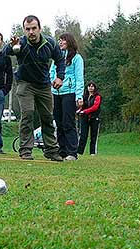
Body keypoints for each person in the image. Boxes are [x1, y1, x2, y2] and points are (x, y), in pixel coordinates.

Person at [4, 15, 66, 161]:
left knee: (47, 117)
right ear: (24, 30)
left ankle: (51, 150)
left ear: (40, 29)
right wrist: (11, 45)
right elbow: (6, 52)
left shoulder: (50, 43)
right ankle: (25, 150)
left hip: (44, 85)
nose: (31, 32)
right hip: (25, 83)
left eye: (34, 28)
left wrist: (60, 77)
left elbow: (60, 60)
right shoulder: (20, 43)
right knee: (28, 114)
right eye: (27, 29)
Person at [50, 33, 84, 161]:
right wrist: (53, 81)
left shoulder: (77, 58)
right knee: (58, 122)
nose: (60, 42)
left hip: (70, 93)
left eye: (63, 40)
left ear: (69, 42)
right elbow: (52, 71)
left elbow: (79, 78)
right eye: (59, 40)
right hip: (56, 92)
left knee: (68, 122)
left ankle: (72, 152)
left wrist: (79, 96)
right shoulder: (57, 57)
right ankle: (62, 151)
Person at [77, 81, 102, 156]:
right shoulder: (84, 96)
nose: (90, 88)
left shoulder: (97, 96)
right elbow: (82, 106)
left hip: (94, 118)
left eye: (92, 86)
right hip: (84, 118)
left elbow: (95, 107)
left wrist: (85, 111)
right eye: (89, 86)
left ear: (95, 87)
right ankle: (80, 152)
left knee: (93, 135)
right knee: (83, 135)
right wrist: (79, 110)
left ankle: (92, 152)